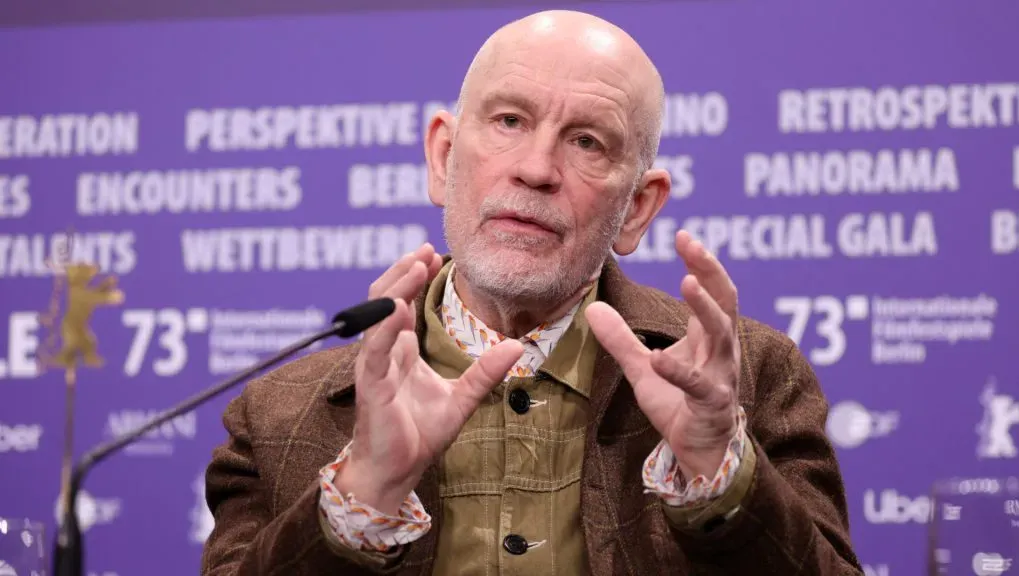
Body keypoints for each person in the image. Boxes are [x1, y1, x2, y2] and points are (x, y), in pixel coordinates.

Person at [200, 9, 862, 576]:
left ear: (637, 207)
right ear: (443, 157)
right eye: (510, 121)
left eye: (586, 141)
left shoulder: (751, 379)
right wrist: (358, 501)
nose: (537, 169)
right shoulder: (278, 416)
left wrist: (722, 476)